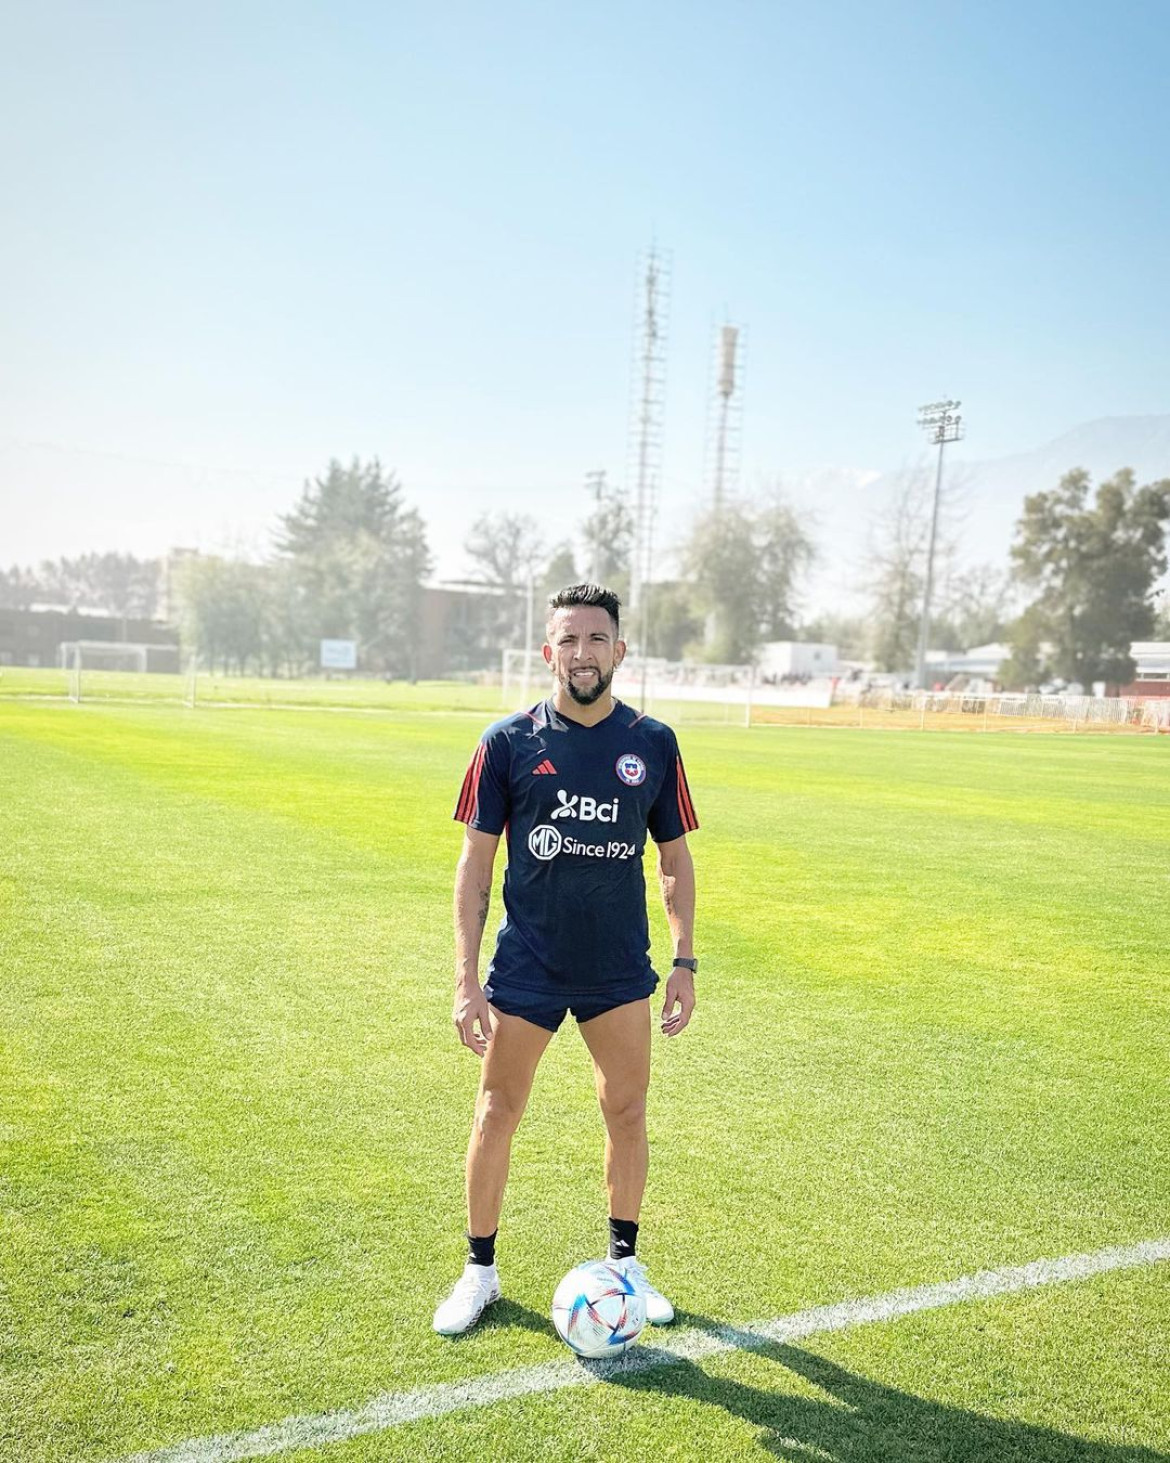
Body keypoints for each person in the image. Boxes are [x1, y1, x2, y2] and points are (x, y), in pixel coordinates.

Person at [433, 582, 699, 1337]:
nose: (582, 653)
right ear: (548, 652)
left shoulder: (654, 742)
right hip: (529, 967)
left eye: (596, 639)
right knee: (496, 1110)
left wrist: (685, 959)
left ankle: (625, 1267)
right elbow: (474, 867)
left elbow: (673, 858)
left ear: (620, 650)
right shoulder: (507, 741)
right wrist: (465, 976)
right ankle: (479, 1270)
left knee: (626, 1109)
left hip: (618, 969)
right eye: (568, 640)